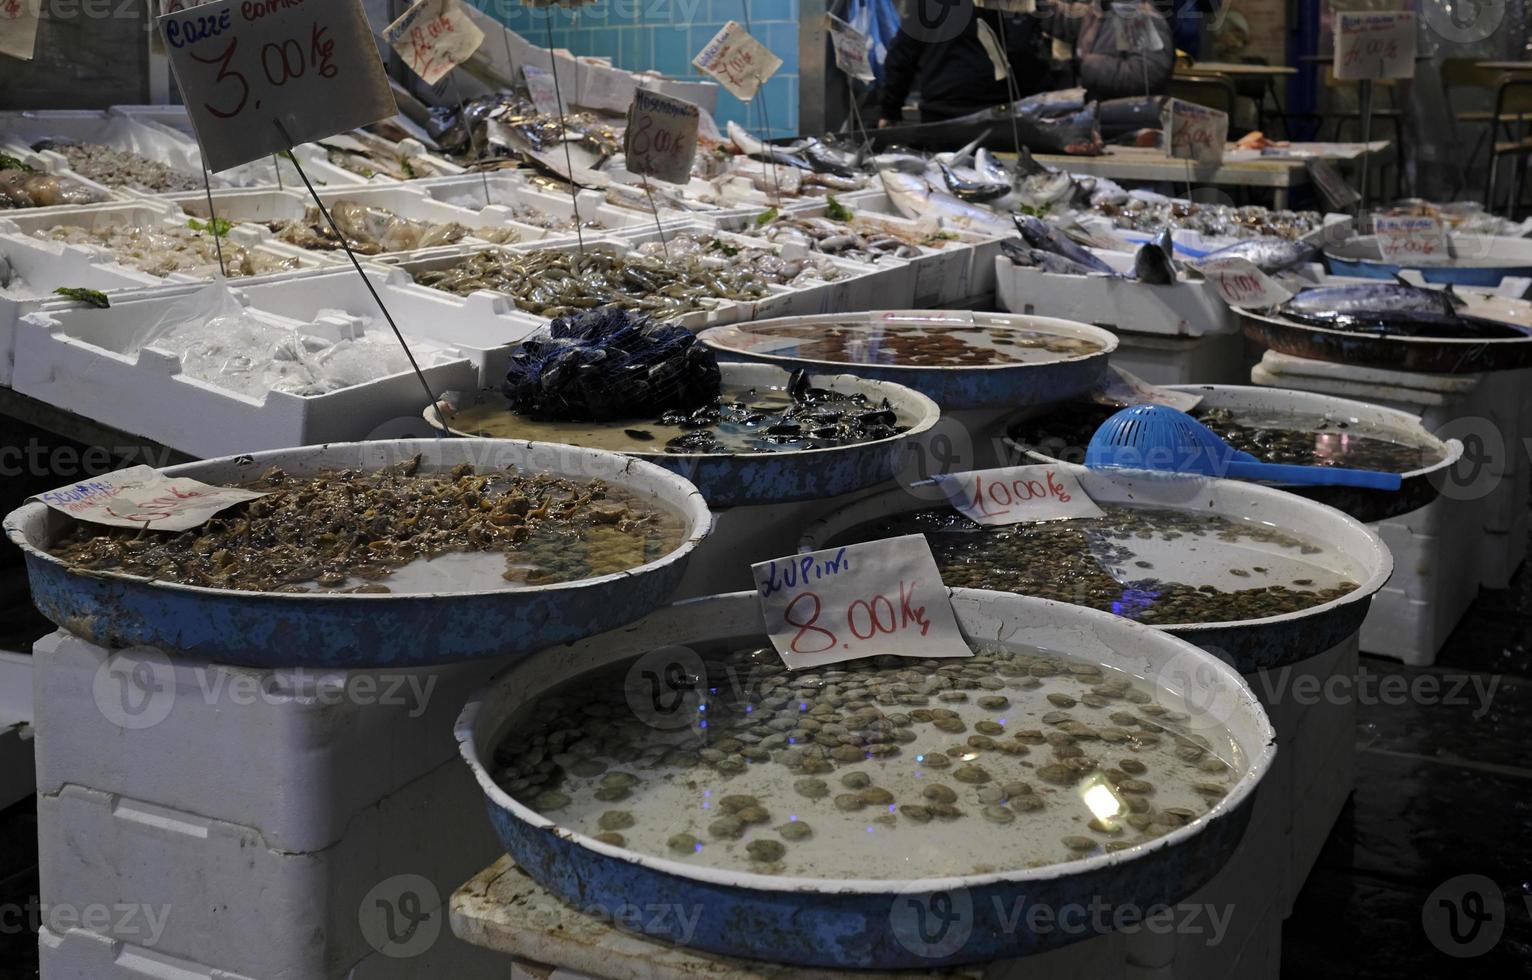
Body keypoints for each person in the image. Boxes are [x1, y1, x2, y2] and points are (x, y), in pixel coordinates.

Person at [878, 0, 1047, 127]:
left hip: (944, 111)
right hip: (997, 112)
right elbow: (1025, 52)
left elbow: (902, 54)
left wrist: (890, 109)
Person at [1045, 1, 1175, 102]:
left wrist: (1086, 65)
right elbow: (1069, 19)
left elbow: (1146, 75)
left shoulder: (1135, 15)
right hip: (1103, 121)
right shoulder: (1104, 10)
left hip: (1128, 125)